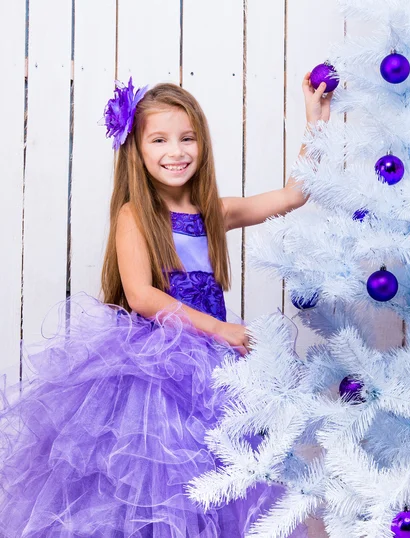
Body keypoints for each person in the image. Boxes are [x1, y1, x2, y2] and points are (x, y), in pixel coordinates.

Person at [0, 74, 332, 537]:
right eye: (159, 140)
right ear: (136, 149)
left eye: (187, 138)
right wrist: (219, 330)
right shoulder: (135, 214)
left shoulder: (213, 211)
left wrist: (316, 122)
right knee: (157, 480)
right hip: (157, 367)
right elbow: (142, 295)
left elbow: (295, 194)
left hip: (215, 369)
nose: (176, 152)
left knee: (217, 480)